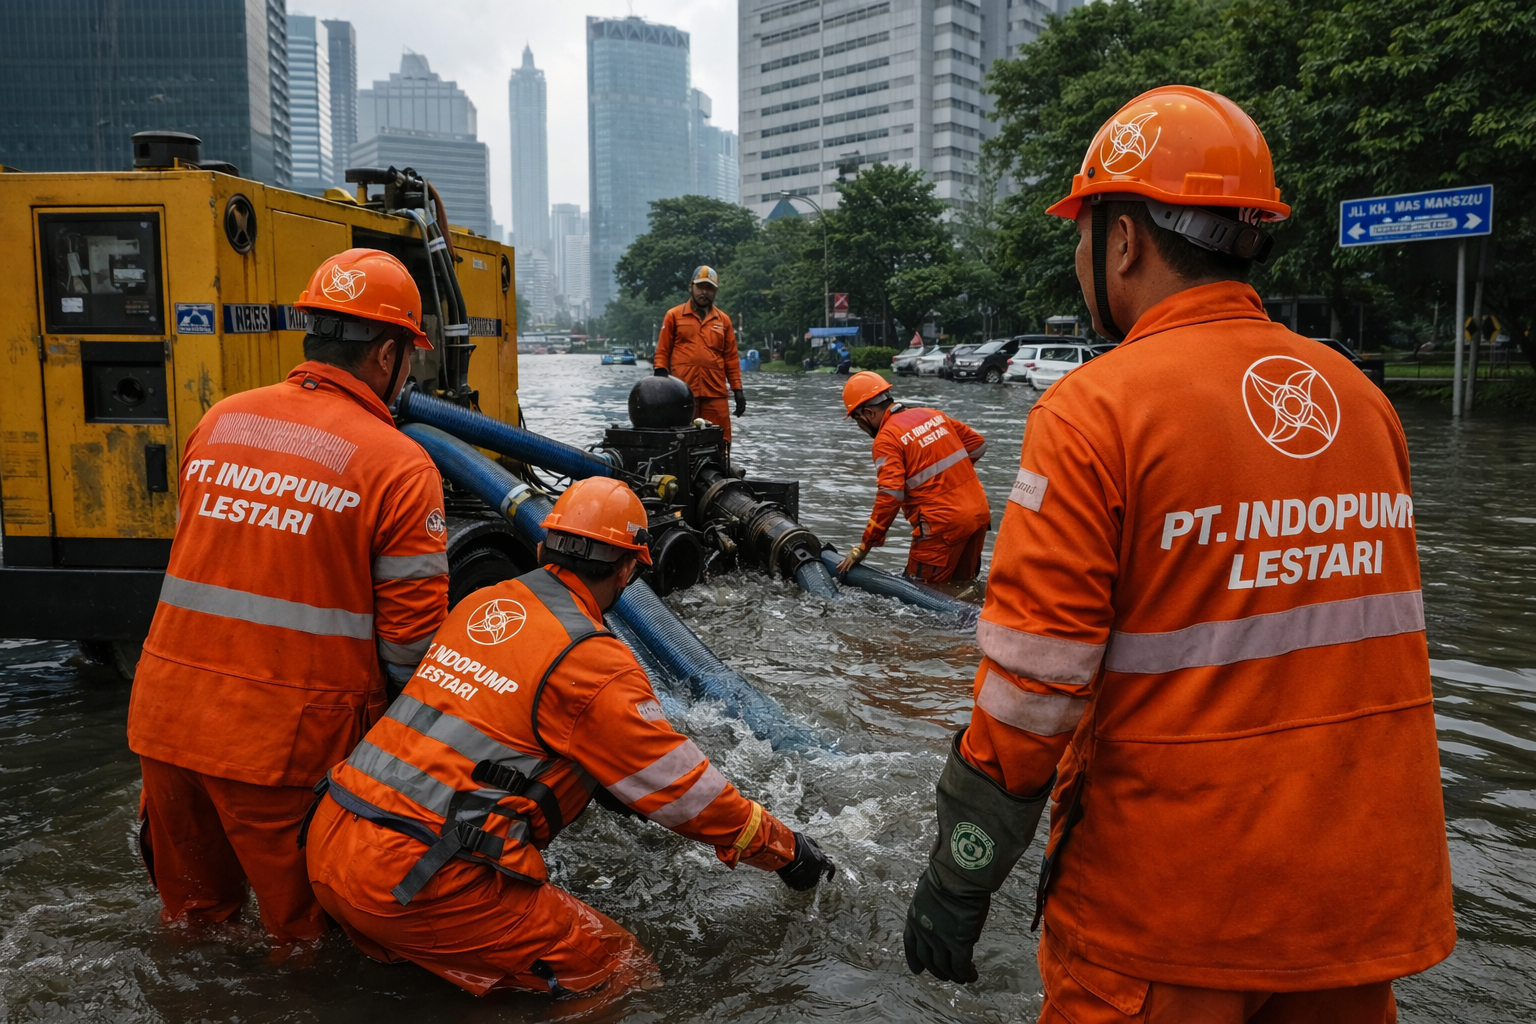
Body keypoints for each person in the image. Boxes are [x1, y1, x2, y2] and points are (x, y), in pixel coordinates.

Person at [901, 85, 1455, 1022]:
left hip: (1168, 915)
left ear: (1123, 239)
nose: (1082, 256)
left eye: (1082, 232)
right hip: (1356, 905)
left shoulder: (1094, 411)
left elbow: (1034, 693)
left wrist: (963, 871)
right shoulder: (1359, 402)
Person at [303, 476, 836, 997]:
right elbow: (688, 795)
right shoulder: (592, 661)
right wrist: (786, 851)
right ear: (630, 567)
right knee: (620, 972)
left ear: (544, 546)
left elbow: (490, 729)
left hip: (330, 842)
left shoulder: (484, 605)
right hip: (412, 882)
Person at [126, 248, 449, 944]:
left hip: (166, 719)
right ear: (389, 354)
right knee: (304, 944)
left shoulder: (221, 420)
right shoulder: (398, 464)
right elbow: (412, 647)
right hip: (280, 745)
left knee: (191, 927)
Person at [836, 371, 991, 584]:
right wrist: (951, 478)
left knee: (920, 596)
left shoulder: (886, 439)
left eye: (857, 420)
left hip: (941, 526)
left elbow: (890, 495)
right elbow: (978, 445)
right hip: (978, 513)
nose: (860, 427)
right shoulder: (932, 415)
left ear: (868, 413)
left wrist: (865, 546)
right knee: (964, 588)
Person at [653, 265, 744, 445]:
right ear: (691, 286)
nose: (705, 292)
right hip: (682, 392)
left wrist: (738, 390)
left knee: (720, 438)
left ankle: (720, 470)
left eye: (710, 288)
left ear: (715, 291)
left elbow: (731, 358)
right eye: (701, 286)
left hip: (715, 392)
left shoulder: (723, 320)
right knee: (679, 437)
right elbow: (662, 351)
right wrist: (661, 379)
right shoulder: (674, 315)